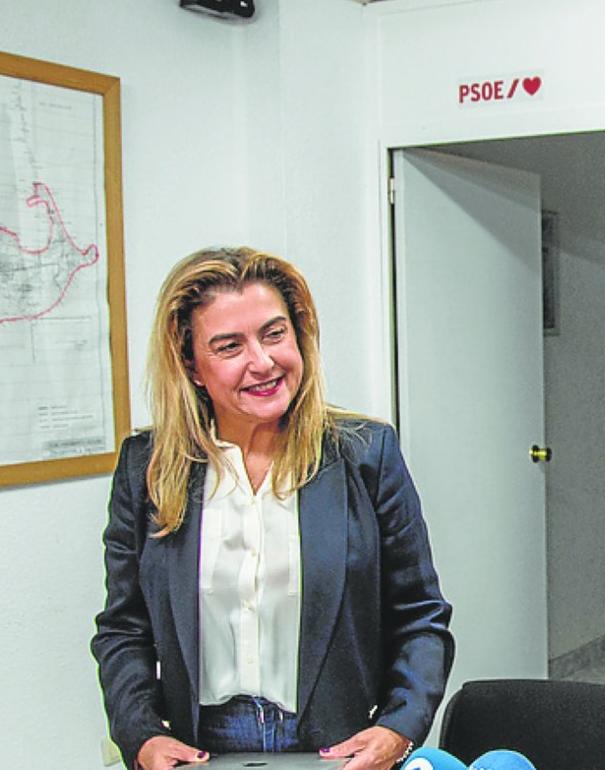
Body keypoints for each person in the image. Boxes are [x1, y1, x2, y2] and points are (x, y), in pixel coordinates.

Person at [92, 247, 453, 770]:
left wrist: (398, 727)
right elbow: (123, 628)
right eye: (228, 346)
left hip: (340, 746)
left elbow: (422, 617)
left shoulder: (365, 454)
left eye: (273, 334)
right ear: (191, 364)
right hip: (203, 747)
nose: (262, 362)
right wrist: (141, 734)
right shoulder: (147, 468)